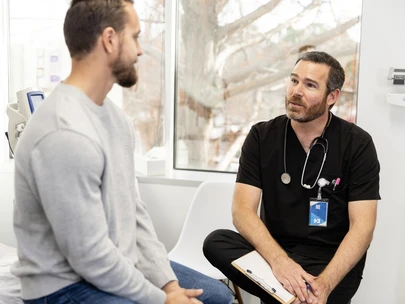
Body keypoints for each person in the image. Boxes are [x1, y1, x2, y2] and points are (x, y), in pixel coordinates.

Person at [11, 1, 232, 304]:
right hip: (64, 286)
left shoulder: (116, 120)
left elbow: (134, 213)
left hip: (116, 262)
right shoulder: (63, 131)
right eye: (136, 37)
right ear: (110, 39)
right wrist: (162, 300)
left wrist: (168, 285)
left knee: (218, 296)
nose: (141, 50)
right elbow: (88, 257)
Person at [203, 51, 380, 304]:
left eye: (310, 85)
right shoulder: (262, 136)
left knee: (316, 289)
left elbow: (363, 227)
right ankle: (296, 297)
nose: (296, 91)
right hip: (274, 255)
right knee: (217, 241)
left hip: (329, 261)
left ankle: (294, 297)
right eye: (294, 80)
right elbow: (242, 211)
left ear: (332, 97)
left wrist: (325, 285)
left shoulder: (357, 143)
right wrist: (281, 263)